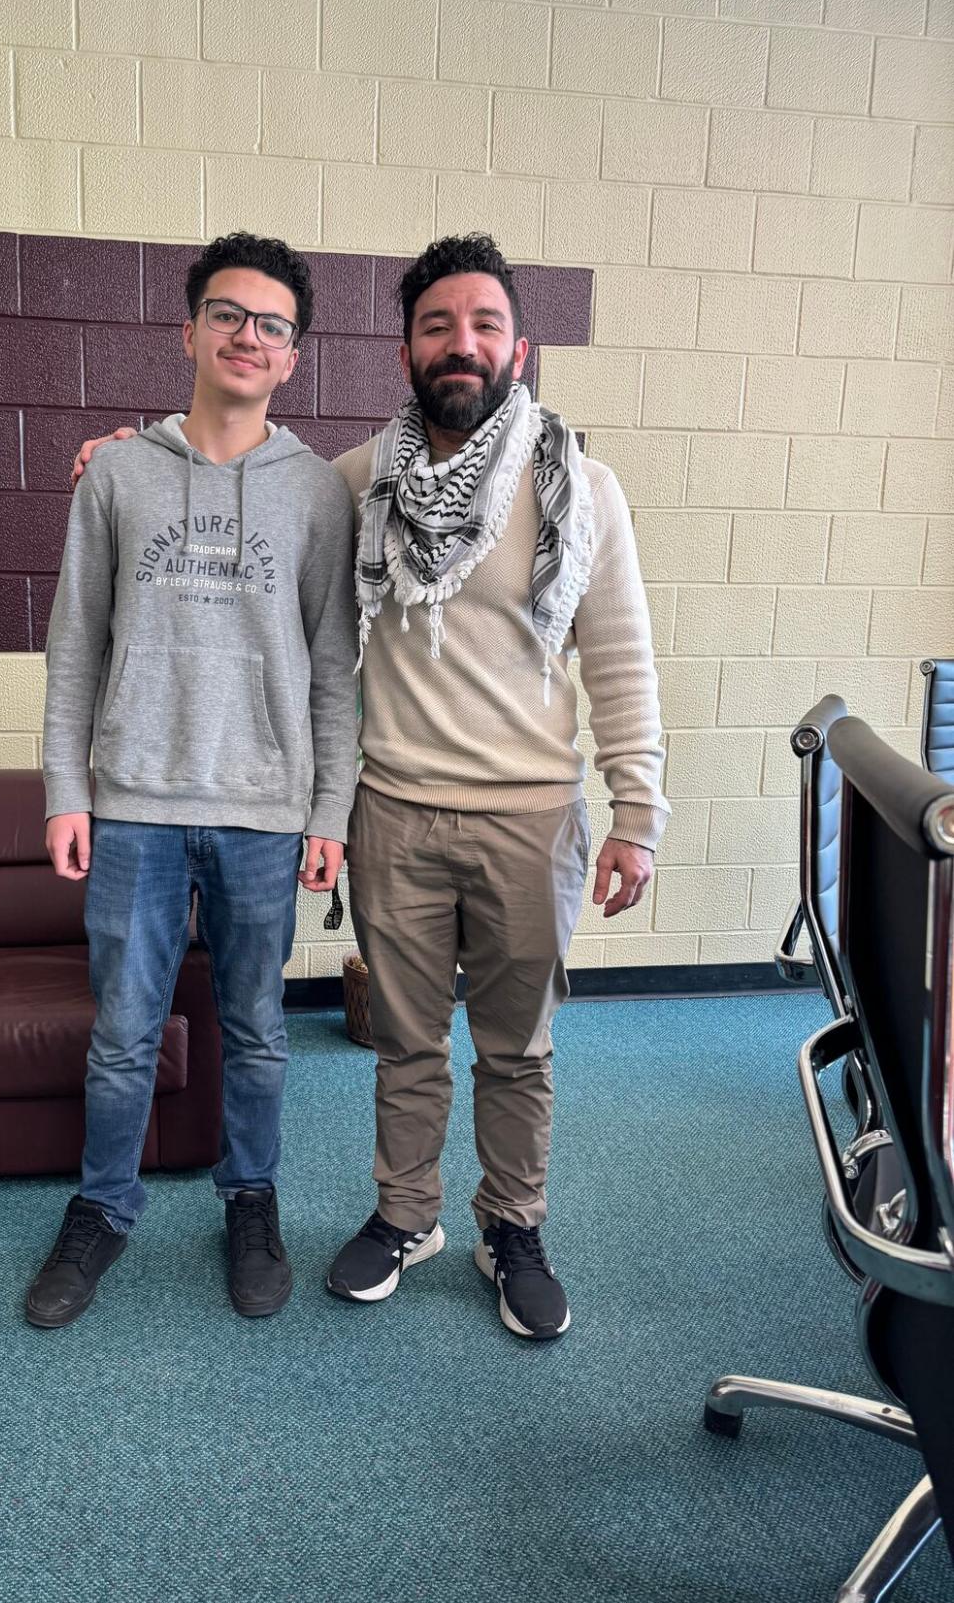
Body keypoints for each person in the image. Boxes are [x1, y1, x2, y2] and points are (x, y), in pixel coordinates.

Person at [73, 233, 668, 1343]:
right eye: (439, 326)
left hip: (533, 816)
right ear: (405, 353)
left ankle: (513, 1225)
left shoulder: (581, 488)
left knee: (517, 1048)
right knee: (403, 1043)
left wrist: (638, 810)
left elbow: (622, 655)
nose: (463, 344)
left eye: (485, 325)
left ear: (519, 347)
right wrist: (128, 457)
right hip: (394, 809)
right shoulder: (356, 483)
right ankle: (406, 1216)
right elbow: (234, 474)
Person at [29, 232, 357, 1330]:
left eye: (272, 324)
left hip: (265, 814)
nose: (249, 337)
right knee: (123, 1031)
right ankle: (102, 1209)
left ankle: (250, 1201)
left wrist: (330, 812)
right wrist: (65, 792)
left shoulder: (316, 492)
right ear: (190, 331)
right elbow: (75, 644)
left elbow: (334, 665)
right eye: (229, 314)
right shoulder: (117, 472)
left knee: (259, 1030)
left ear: (293, 354)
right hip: (133, 806)